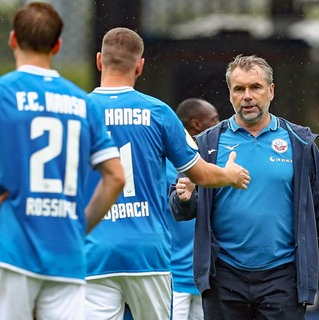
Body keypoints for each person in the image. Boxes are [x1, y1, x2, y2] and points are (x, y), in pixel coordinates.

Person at [169, 54, 319, 320]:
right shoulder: (206, 144)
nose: (247, 96)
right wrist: (185, 198)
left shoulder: (299, 142)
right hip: (224, 277)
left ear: (271, 91)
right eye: (239, 89)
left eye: (255, 87)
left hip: (282, 278)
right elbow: (179, 208)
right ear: (230, 94)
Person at [83, 28, 250, 320]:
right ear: (140, 66)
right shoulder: (157, 112)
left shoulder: (77, 111)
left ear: (99, 61)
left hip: (94, 251)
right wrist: (231, 175)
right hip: (147, 252)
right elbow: (201, 175)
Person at [0, 3, 125, 319]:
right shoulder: (83, 103)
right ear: (57, 45)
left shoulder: (5, 93)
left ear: (13, 40)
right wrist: (78, 226)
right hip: (66, 254)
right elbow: (116, 177)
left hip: (12, 250)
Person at [170, 98, 219, 320]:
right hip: (172, 278)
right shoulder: (167, 163)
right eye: (215, 119)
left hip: (205, 278)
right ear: (197, 125)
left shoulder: (211, 164)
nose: (220, 124)